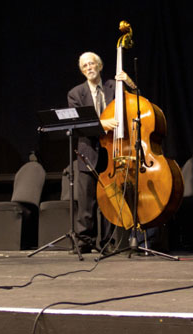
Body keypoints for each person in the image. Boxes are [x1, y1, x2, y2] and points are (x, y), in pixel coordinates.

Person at [67, 51, 136, 253]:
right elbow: (78, 124)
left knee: (108, 200)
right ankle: (85, 242)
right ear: (82, 70)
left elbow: (135, 102)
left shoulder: (114, 87)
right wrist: (102, 124)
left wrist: (130, 83)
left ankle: (107, 242)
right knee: (86, 202)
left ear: (100, 66)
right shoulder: (75, 94)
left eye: (92, 64)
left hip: (111, 152)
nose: (89, 68)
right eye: (85, 66)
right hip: (87, 153)